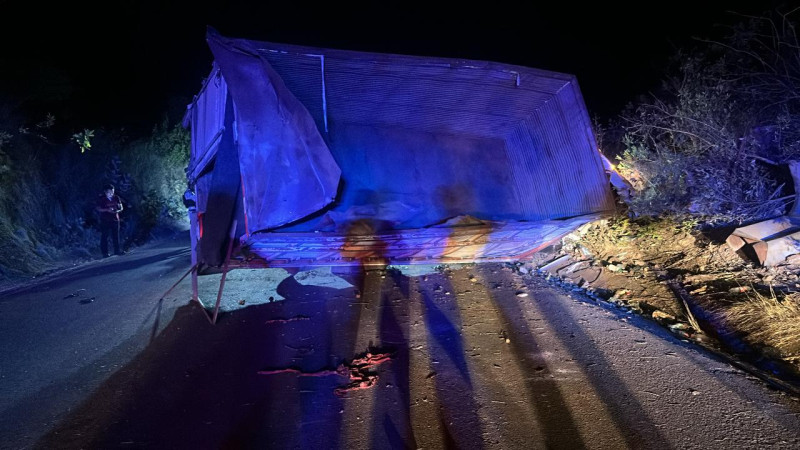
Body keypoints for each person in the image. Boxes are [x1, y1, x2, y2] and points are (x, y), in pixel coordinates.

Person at [95, 183, 124, 257]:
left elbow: (121, 207)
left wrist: (117, 210)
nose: (111, 193)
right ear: (105, 192)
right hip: (105, 220)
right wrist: (107, 210)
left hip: (115, 219)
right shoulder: (102, 199)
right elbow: (98, 208)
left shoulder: (116, 198)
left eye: (112, 192)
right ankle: (105, 253)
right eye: (109, 192)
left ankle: (117, 251)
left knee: (116, 236)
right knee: (105, 236)